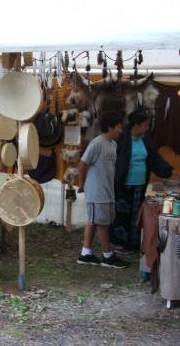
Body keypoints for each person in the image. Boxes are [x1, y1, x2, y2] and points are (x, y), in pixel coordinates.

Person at [111, 109, 180, 253]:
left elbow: (154, 157)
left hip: (140, 183)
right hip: (123, 184)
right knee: (122, 215)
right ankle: (121, 244)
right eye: (145, 125)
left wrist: (170, 170)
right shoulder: (121, 138)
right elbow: (112, 159)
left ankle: (134, 243)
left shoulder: (145, 138)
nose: (147, 128)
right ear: (136, 125)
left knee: (137, 215)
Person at [77, 112, 128, 269]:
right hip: (96, 192)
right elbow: (82, 163)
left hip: (107, 191)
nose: (121, 130)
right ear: (111, 127)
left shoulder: (113, 144)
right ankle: (107, 256)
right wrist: (81, 184)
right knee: (102, 224)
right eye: (119, 127)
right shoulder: (96, 143)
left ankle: (85, 254)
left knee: (94, 221)